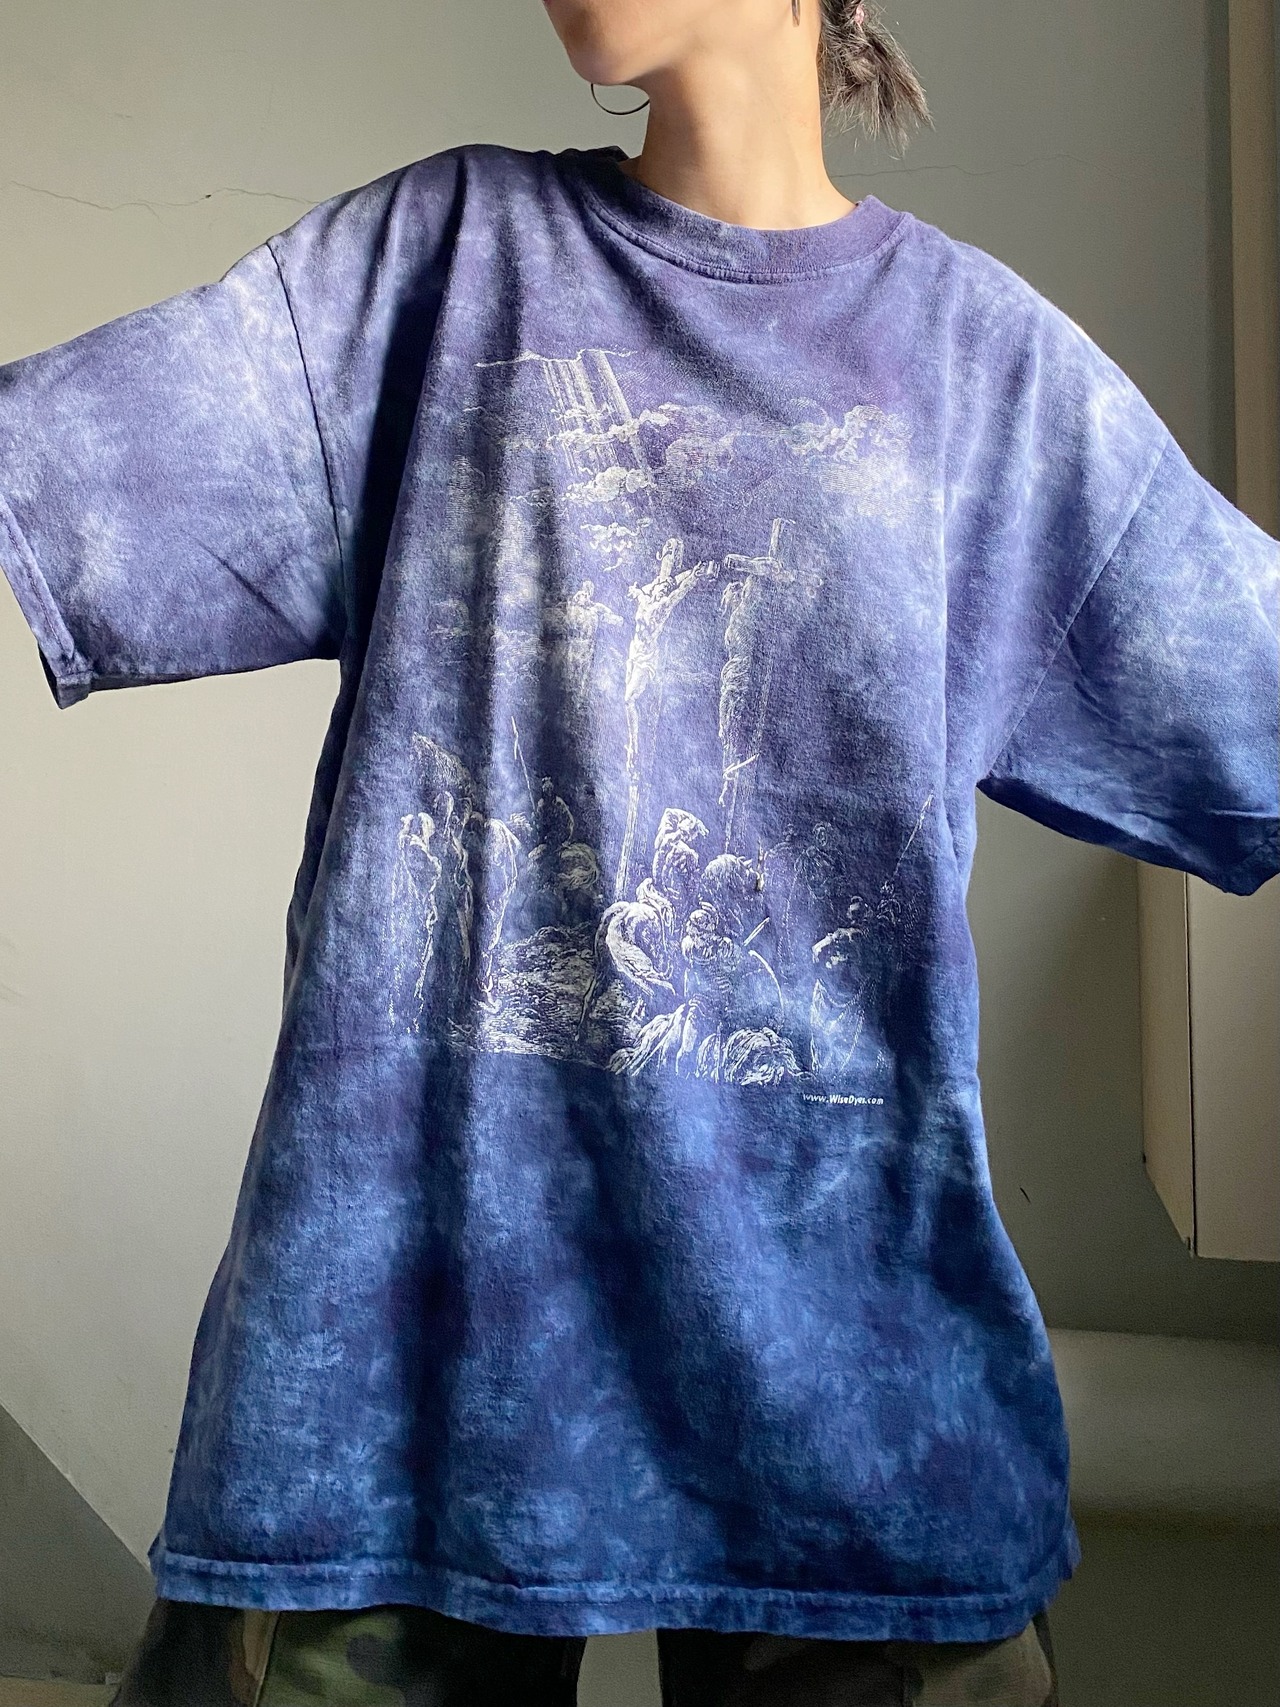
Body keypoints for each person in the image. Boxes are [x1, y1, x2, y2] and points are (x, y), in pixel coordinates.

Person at [1, 0, 1276, 1700]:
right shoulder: (440, 265)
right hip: (393, 1380)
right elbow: (54, 476)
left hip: (849, 1399)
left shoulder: (985, 376)